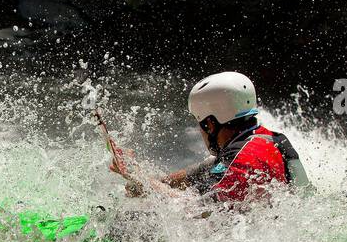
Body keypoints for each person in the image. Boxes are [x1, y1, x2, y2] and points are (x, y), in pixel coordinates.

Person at [110, 71, 310, 202]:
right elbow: (199, 173)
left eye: (200, 124)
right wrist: (146, 181)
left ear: (210, 124)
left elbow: (192, 210)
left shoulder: (241, 163)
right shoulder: (271, 139)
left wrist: (142, 181)